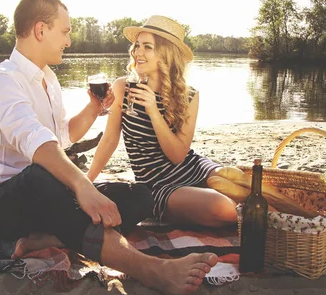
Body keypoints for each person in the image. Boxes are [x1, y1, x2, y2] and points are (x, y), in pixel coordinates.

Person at [0, 0, 218, 295]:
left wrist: (93, 109)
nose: (68, 41)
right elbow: (38, 144)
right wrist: (83, 186)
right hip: (7, 201)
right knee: (42, 174)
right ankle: (151, 269)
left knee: (139, 196)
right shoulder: (1, 81)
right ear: (41, 30)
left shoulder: (48, 79)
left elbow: (60, 135)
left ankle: (52, 236)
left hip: (52, 192)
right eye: (64, 32)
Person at [87, 15, 238, 228]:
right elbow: (110, 140)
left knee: (237, 181)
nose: (138, 52)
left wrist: (154, 112)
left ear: (166, 55)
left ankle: (291, 220)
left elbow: (179, 155)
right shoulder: (124, 88)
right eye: (137, 45)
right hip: (157, 184)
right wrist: (86, 183)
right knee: (225, 208)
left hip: (193, 167)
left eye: (147, 47)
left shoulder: (189, 96)